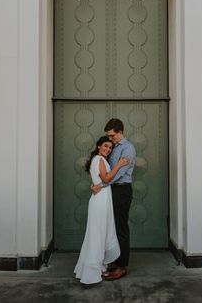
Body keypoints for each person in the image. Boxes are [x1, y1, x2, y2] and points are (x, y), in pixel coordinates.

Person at [74, 136, 129, 285]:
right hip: (100, 202)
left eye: (110, 148)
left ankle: (98, 266)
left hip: (102, 199)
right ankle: (93, 270)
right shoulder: (99, 159)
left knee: (99, 233)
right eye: (105, 146)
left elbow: (100, 182)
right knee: (98, 234)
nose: (108, 149)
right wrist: (119, 164)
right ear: (99, 146)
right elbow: (105, 179)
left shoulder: (98, 160)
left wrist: (96, 185)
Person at [92, 119, 136, 281]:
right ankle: (114, 261)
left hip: (122, 190)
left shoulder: (128, 148)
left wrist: (100, 185)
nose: (110, 139)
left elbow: (118, 174)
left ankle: (122, 267)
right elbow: (105, 169)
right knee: (112, 226)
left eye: (112, 136)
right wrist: (99, 183)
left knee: (120, 228)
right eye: (108, 136)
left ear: (120, 132)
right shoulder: (114, 147)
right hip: (111, 189)